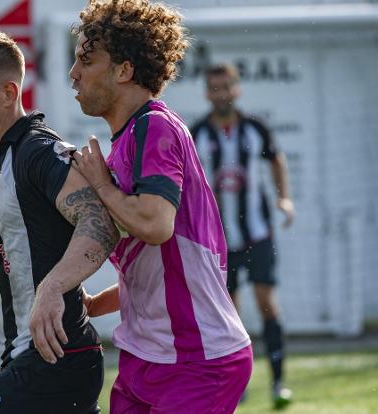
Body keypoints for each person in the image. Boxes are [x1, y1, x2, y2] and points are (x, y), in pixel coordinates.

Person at [67, 1, 253, 413]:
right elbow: (164, 267)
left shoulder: (155, 126)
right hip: (145, 357)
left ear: (123, 70)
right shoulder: (129, 140)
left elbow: (155, 226)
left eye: (85, 59)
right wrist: (100, 302)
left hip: (199, 361)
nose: (73, 73)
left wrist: (99, 185)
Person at [0, 30, 120, 414]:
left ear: (9, 93)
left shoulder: (37, 152)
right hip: (24, 354)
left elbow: (101, 224)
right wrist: (2, 341)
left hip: (58, 356)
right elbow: (10, 260)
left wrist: (53, 287)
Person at [190, 63, 295, 409]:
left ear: (237, 89)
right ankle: (239, 381)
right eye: (214, 87)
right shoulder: (197, 134)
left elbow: (276, 160)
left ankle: (279, 382)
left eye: (226, 87)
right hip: (218, 240)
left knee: (267, 304)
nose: (221, 93)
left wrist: (284, 198)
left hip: (258, 233)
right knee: (229, 316)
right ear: (207, 92)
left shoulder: (255, 128)